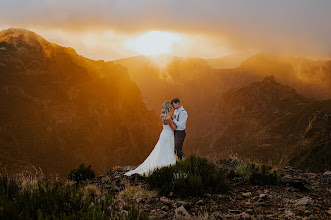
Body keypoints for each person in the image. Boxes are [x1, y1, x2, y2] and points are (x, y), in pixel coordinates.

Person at [124, 101, 177, 177]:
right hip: (168, 135)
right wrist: (174, 119)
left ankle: (161, 163)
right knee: (168, 149)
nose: (171, 109)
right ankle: (167, 165)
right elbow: (173, 127)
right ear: (168, 108)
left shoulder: (163, 116)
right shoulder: (168, 118)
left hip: (163, 135)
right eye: (170, 108)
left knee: (162, 151)